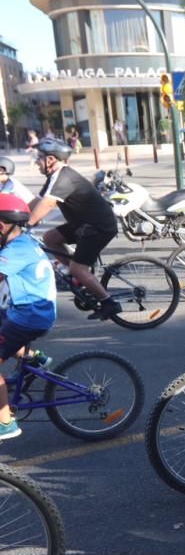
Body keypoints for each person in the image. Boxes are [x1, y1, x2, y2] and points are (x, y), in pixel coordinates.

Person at [27, 138, 121, 320]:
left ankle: (109, 303)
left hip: (99, 227)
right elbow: (37, 201)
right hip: (84, 224)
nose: (37, 161)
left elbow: (48, 203)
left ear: (51, 159)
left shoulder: (65, 178)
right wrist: (15, 216)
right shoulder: (54, 177)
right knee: (50, 238)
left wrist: (28, 224)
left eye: (40, 157)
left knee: (79, 268)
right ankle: (79, 276)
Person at [0, 195, 56, 440]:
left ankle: (5, 423)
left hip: (29, 316)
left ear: (2, 225)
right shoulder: (22, 241)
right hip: (30, 312)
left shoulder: (15, 251)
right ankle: (36, 359)